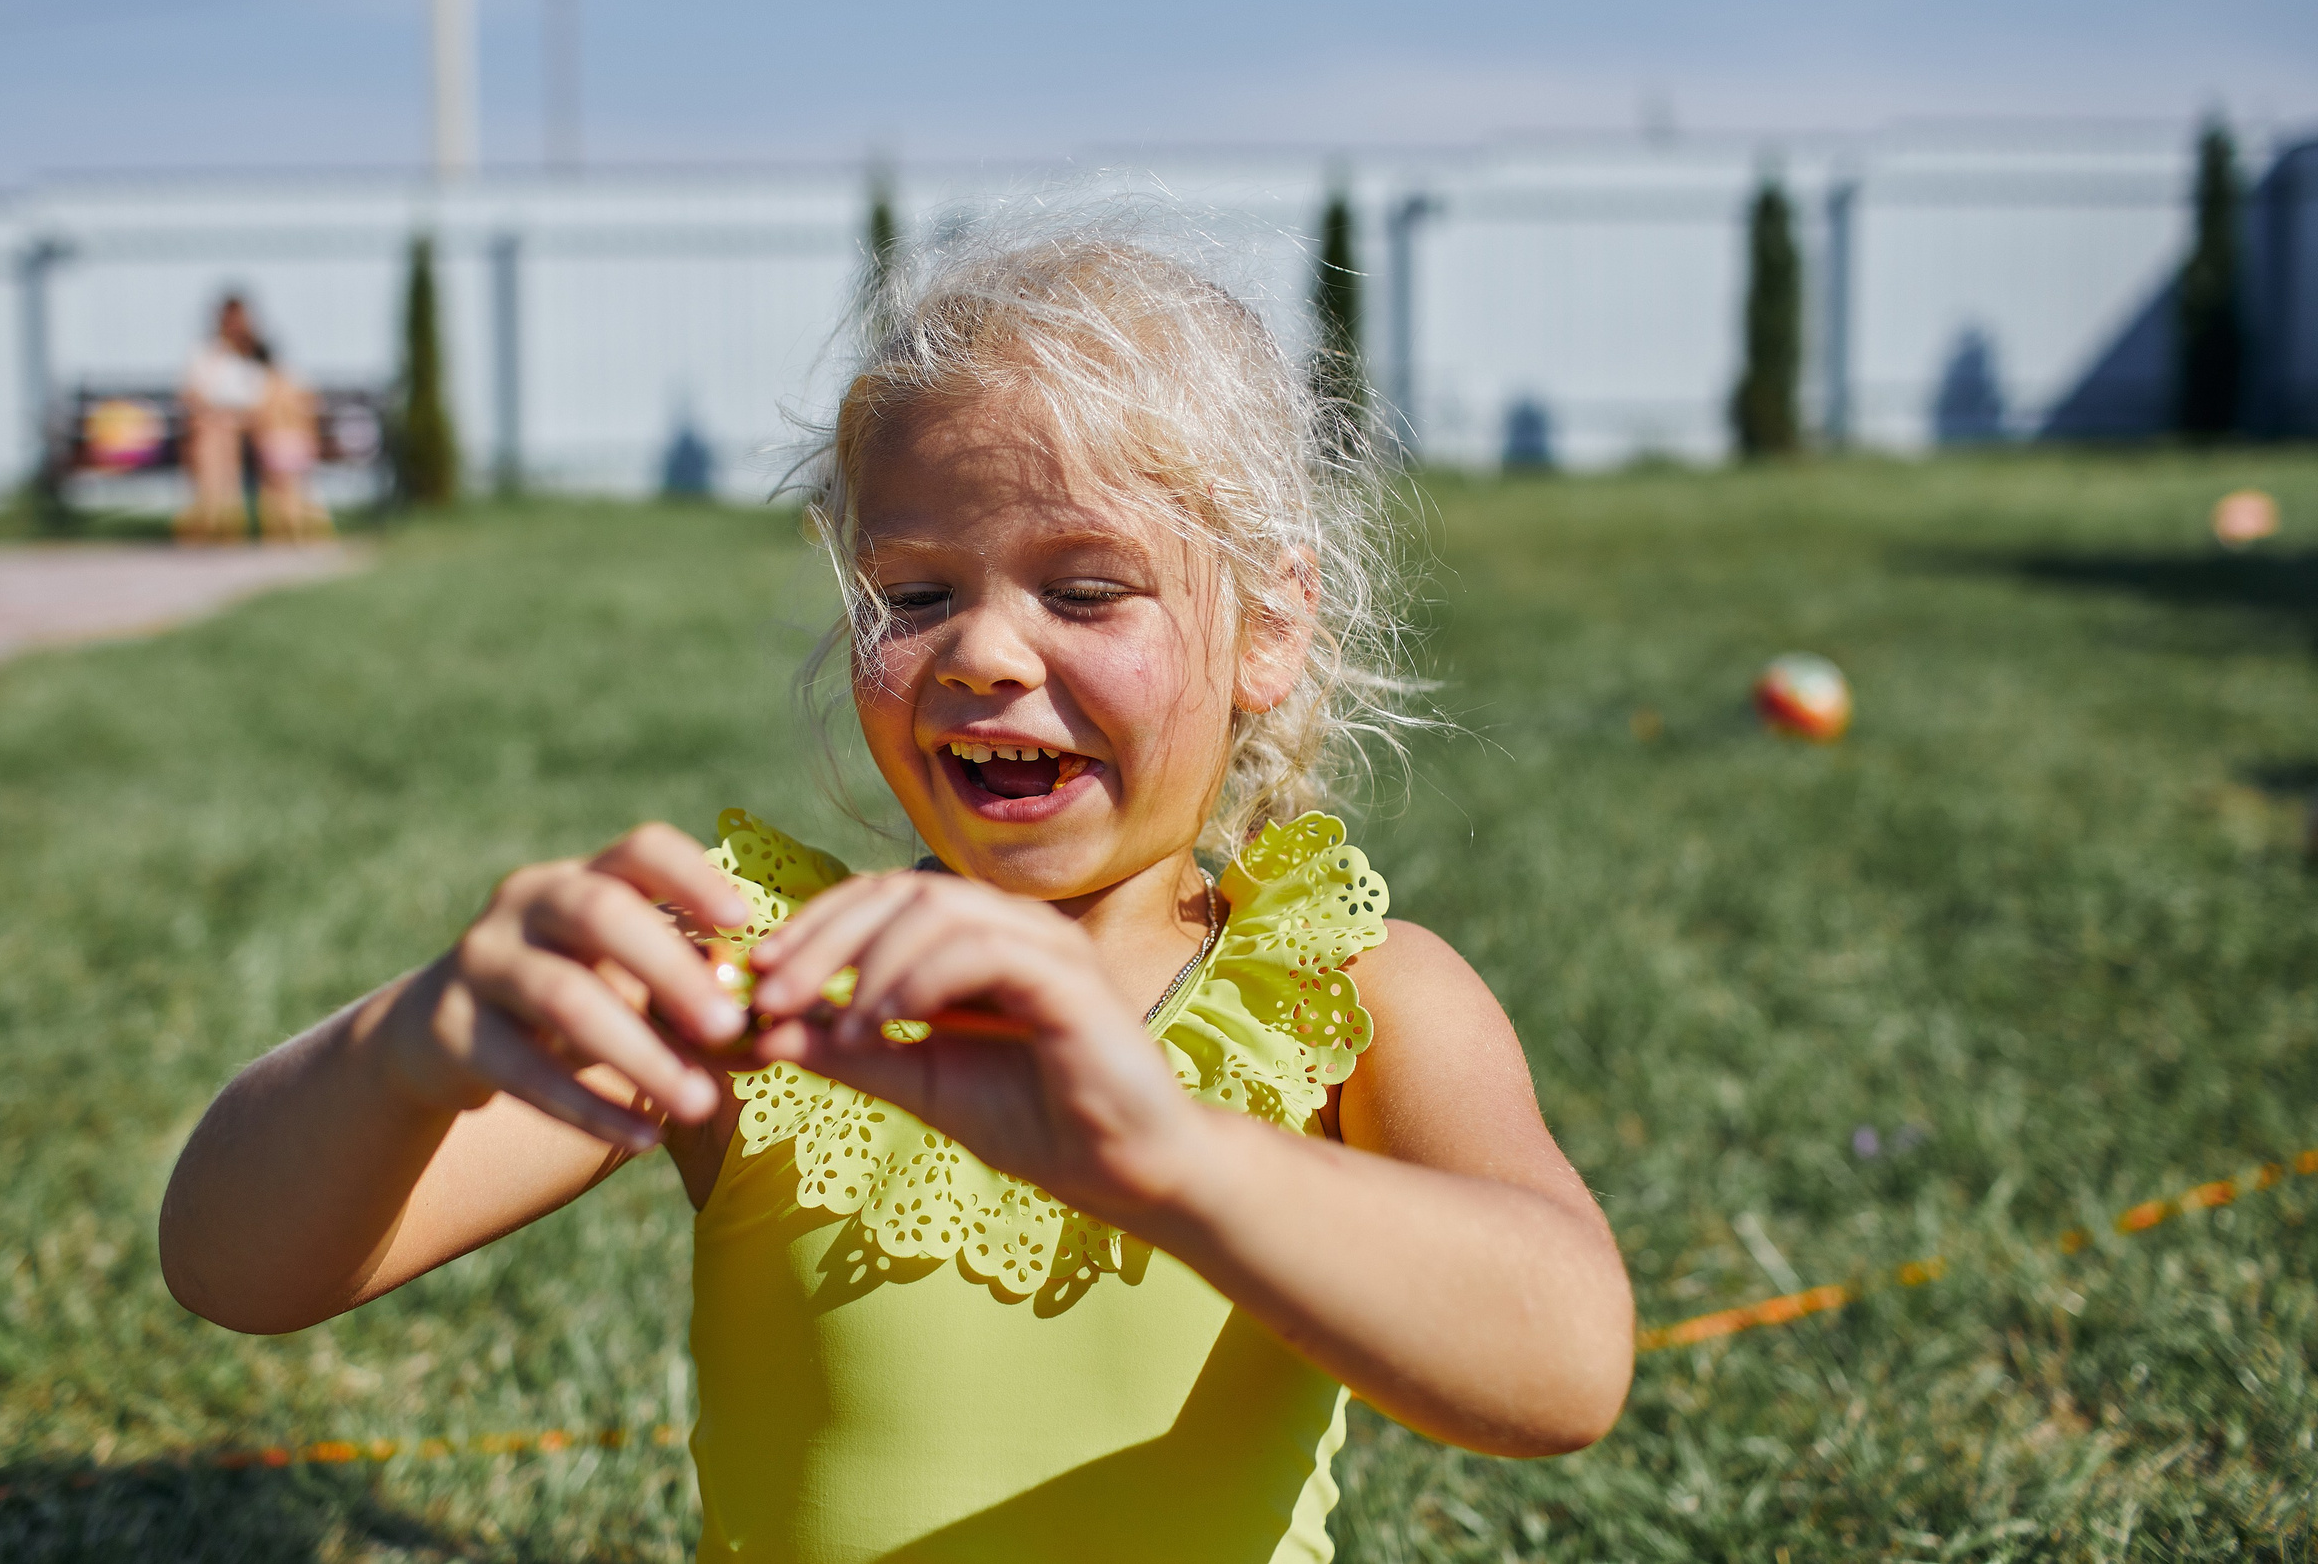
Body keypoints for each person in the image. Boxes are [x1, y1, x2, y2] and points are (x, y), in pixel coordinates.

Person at [159, 227, 1634, 1563]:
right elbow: (233, 1263)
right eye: (916, 595)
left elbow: (1562, 1365)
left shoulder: (1356, 998)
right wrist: (408, 1046)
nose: (985, 653)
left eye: (1085, 587)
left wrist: (1169, 1154)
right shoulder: (764, 987)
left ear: (1269, 626)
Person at [176, 295, 267, 544]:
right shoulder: (206, 352)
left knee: (216, 437)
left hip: (248, 426)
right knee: (215, 435)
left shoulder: (257, 355)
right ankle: (220, 518)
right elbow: (191, 394)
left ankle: (210, 519)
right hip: (213, 423)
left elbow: (264, 398)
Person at [247, 338, 333, 544]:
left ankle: (279, 533)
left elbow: (258, 421)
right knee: (302, 490)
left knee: (272, 493)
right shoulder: (295, 383)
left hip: (274, 447)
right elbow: (310, 415)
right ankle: (313, 531)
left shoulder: (263, 387)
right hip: (300, 446)